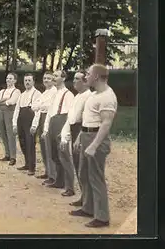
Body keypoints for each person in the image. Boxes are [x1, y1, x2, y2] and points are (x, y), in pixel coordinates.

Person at [69, 64, 117, 228]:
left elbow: (105, 124)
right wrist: (80, 137)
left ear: (96, 77)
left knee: (96, 177)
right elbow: (89, 119)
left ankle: (102, 217)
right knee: (84, 174)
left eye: (88, 74)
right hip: (86, 135)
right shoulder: (94, 94)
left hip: (96, 138)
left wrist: (94, 145)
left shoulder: (107, 96)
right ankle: (88, 207)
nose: (85, 77)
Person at [59, 70, 92, 203]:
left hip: (83, 130)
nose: (74, 81)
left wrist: (79, 136)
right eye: (74, 79)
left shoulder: (89, 96)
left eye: (77, 79)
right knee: (78, 165)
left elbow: (86, 120)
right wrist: (64, 135)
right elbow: (70, 118)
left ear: (85, 82)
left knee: (84, 168)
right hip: (74, 128)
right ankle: (84, 196)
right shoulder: (76, 96)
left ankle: (88, 199)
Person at [42, 70, 74, 189]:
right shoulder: (55, 93)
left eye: (56, 76)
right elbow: (50, 112)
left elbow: (71, 114)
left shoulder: (68, 94)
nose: (54, 78)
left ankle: (69, 186)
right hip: (53, 122)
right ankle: (59, 180)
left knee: (64, 155)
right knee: (54, 154)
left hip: (62, 121)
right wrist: (46, 128)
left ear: (63, 78)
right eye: (53, 76)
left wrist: (66, 132)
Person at [30, 71, 57, 182]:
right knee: (43, 146)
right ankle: (47, 171)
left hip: (49, 118)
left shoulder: (55, 92)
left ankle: (53, 175)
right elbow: (34, 106)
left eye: (49, 78)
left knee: (49, 147)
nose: (46, 80)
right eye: (45, 78)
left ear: (53, 80)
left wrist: (40, 106)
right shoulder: (44, 93)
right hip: (41, 117)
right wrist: (40, 106)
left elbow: (49, 106)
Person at [12, 73, 40, 174]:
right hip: (21, 118)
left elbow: (38, 111)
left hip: (30, 118)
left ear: (33, 82)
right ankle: (27, 163)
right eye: (25, 81)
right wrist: (14, 124)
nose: (27, 82)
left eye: (29, 80)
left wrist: (34, 125)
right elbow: (16, 109)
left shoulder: (37, 94)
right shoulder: (22, 95)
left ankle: (32, 167)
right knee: (22, 141)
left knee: (30, 143)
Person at [0, 73, 21, 165]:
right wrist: (4, 100)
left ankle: (13, 156)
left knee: (10, 134)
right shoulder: (2, 91)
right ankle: (7, 154)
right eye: (7, 78)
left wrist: (4, 101)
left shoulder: (16, 91)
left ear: (15, 80)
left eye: (11, 78)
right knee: (3, 133)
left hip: (10, 113)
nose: (8, 80)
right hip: (1, 112)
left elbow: (12, 101)